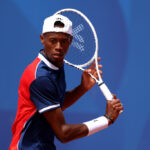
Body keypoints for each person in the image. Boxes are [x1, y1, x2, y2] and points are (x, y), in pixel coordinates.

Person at [9, 14, 123, 150]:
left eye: (63, 41)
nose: (59, 47)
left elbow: (55, 103)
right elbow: (63, 133)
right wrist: (106, 119)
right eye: (53, 40)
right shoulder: (41, 78)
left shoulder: (56, 63)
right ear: (42, 39)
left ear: (70, 41)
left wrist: (82, 88)